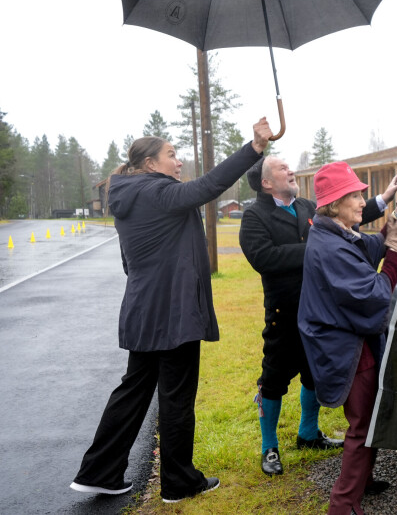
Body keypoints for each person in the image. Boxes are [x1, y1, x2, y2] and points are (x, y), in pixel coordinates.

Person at [70, 118, 273, 503]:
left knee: (133, 391)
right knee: (176, 396)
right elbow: (209, 186)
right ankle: (179, 483)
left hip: (143, 310)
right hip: (173, 315)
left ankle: (99, 471)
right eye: (172, 155)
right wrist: (254, 148)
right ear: (150, 163)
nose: (178, 163)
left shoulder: (128, 194)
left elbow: (129, 262)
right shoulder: (157, 191)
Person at [239, 156, 397, 476]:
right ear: (266, 182)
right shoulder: (254, 216)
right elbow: (263, 257)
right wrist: (320, 247)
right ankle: (269, 446)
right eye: (283, 169)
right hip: (285, 309)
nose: (292, 171)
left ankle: (308, 433)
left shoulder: (306, 206)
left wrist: (384, 199)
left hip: (322, 308)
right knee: (274, 378)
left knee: (314, 371)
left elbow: (340, 214)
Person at [297, 162, 397, 515]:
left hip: (351, 341)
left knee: (370, 417)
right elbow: (376, 294)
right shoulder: (331, 248)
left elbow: (367, 246)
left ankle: (361, 482)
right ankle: (343, 503)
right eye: (355, 195)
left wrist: (396, 215)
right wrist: (396, 245)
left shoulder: (333, 233)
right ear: (335, 204)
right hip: (345, 347)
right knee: (362, 424)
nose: (363, 200)